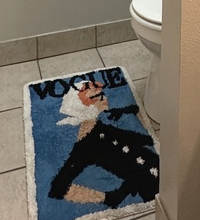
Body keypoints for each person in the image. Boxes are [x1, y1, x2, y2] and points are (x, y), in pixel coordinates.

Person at [49, 78, 159, 208]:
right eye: (98, 95)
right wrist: (108, 197)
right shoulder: (86, 145)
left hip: (162, 171)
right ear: (83, 105)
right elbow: (58, 188)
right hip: (155, 188)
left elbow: (144, 139)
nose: (104, 96)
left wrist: (128, 112)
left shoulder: (103, 129)